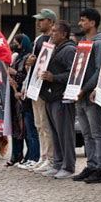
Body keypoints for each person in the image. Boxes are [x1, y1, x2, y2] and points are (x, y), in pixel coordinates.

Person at [72, 8, 101, 183]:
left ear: (92, 23)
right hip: (80, 94)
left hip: (91, 94)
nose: (80, 23)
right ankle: (91, 164)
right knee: (86, 133)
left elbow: (99, 70)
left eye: (83, 20)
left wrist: (85, 89)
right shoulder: (83, 42)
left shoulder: (99, 43)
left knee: (97, 132)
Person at [40, 21, 77, 179]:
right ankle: (58, 163)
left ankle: (68, 166)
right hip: (51, 96)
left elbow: (73, 74)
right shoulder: (54, 49)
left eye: (55, 31)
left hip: (61, 97)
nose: (52, 33)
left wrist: (53, 77)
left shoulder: (69, 50)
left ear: (63, 34)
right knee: (55, 133)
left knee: (64, 133)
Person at [29, 8, 56, 173]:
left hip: (45, 88)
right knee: (38, 125)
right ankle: (42, 156)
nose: (39, 22)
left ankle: (50, 158)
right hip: (35, 86)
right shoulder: (38, 39)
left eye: (42, 20)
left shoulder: (53, 40)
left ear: (51, 22)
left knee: (45, 126)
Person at [7, 34, 40, 168]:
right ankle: (17, 155)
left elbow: (26, 77)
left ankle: (32, 156)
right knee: (17, 129)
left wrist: (14, 74)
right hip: (15, 97)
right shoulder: (17, 57)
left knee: (28, 129)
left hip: (23, 97)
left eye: (17, 43)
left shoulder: (28, 58)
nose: (15, 45)